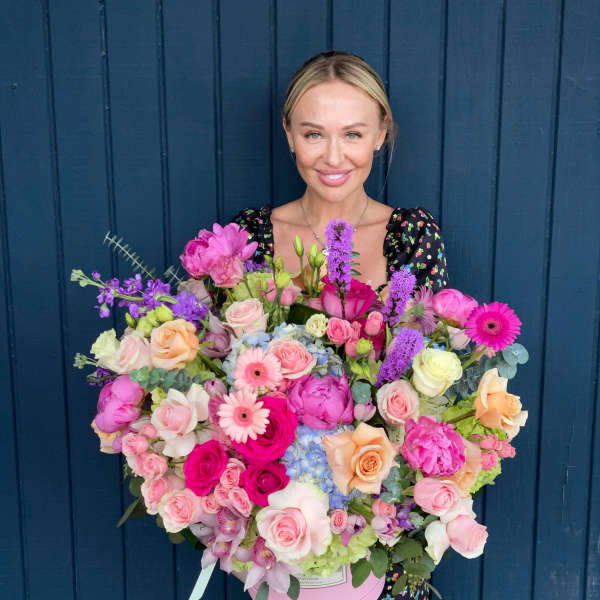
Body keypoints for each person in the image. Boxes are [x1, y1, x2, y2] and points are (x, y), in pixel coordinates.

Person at [233, 51, 448, 600]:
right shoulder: (251, 237)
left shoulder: (412, 237)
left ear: (380, 134)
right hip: (281, 534)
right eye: (313, 134)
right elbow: (226, 391)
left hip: (379, 533)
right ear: (288, 134)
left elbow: (429, 391)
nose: (333, 156)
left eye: (352, 133)